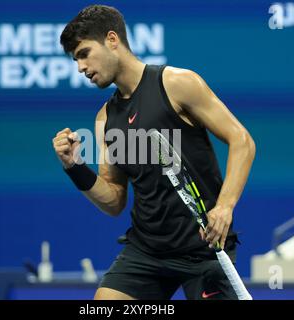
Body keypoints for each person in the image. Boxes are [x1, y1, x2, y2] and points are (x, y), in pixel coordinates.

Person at [53, 5, 255, 300]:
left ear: (112, 40)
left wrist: (224, 207)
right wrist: (75, 167)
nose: (81, 67)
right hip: (147, 251)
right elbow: (114, 201)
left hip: (204, 248)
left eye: (84, 53)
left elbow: (242, 141)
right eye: (75, 60)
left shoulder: (177, 84)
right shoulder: (105, 119)